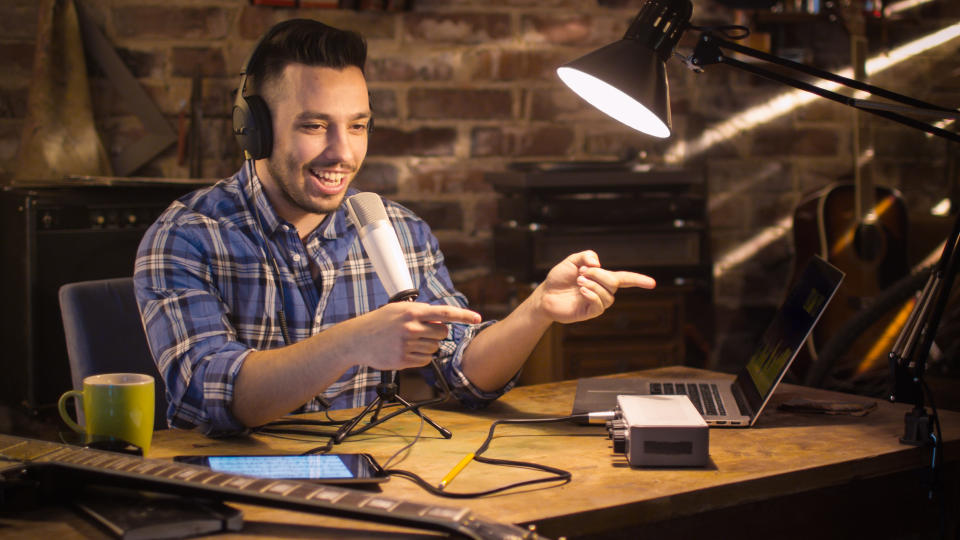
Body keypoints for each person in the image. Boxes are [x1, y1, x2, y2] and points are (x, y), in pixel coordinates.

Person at [134, 19, 656, 436]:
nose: (343, 152)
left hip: (367, 486)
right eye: (315, 126)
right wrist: (350, 344)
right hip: (231, 495)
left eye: (357, 126)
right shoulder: (185, 237)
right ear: (255, 128)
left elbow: (464, 374)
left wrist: (538, 308)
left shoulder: (400, 230)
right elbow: (210, 398)